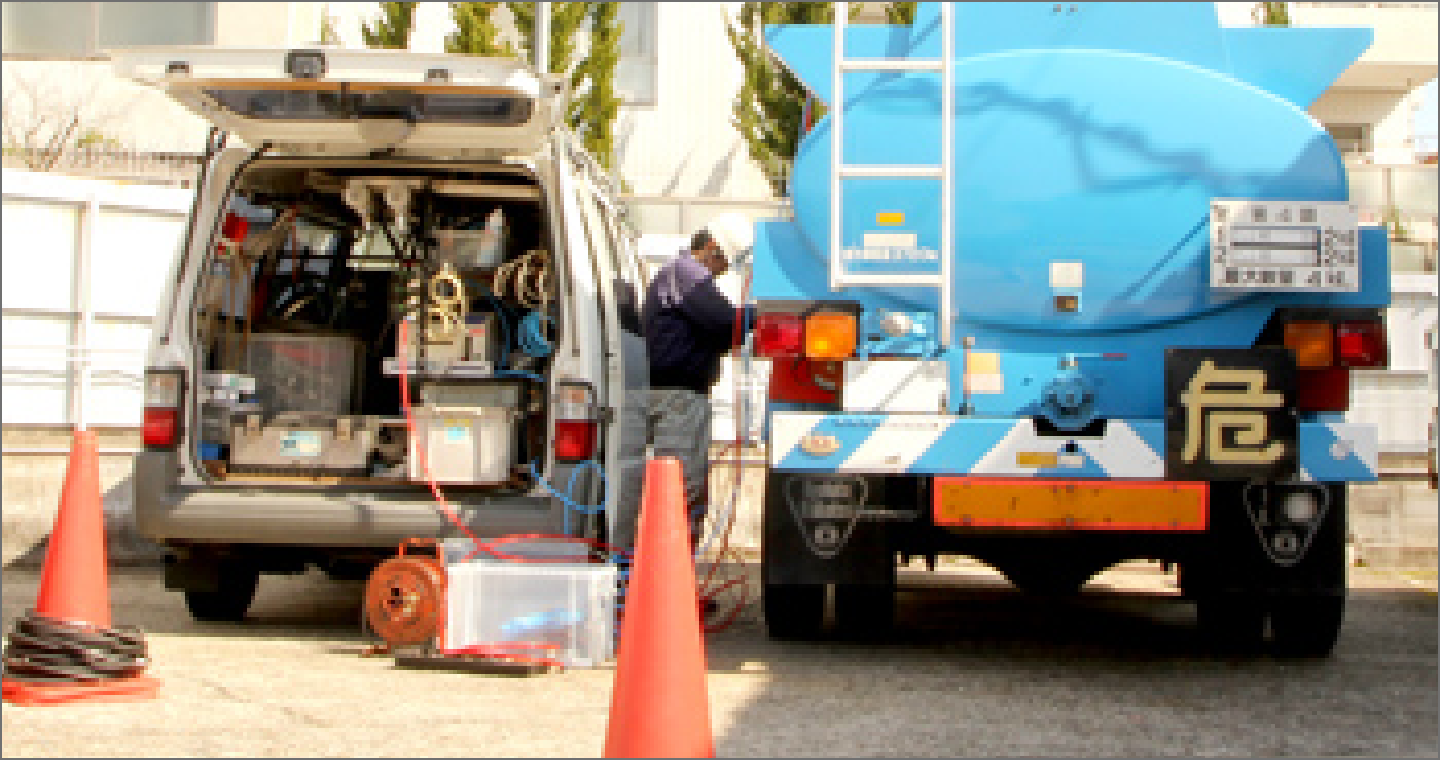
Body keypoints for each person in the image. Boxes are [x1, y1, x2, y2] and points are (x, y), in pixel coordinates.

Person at [633, 213, 756, 556]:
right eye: (723, 263)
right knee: (681, 491)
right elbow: (723, 320)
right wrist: (761, 316)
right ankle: (672, 585)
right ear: (711, 248)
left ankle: (678, 584)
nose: (721, 272)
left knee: (685, 489)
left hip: (681, 395)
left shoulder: (680, 276)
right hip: (678, 397)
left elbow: (715, 328)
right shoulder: (686, 273)